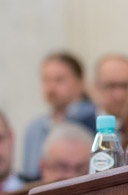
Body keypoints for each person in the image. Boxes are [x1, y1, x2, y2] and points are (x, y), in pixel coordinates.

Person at [21, 51, 96, 180]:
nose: (51, 88)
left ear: (80, 83)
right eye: (46, 80)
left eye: (59, 80)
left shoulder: (96, 119)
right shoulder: (34, 129)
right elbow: (29, 174)